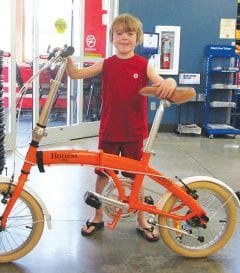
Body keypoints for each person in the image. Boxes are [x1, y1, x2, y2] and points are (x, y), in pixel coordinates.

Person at [66, 13, 177, 242]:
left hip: (133, 133)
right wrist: (65, 59)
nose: (124, 37)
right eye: (119, 33)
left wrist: (171, 82)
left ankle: (142, 220)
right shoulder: (107, 63)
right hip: (109, 130)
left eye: (129, 33)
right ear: (112, 37)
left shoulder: (144, 65)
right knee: (103, 174)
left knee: (136, 177)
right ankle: (97, 216)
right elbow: (76, 74)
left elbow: (163, 82)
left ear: (137, 38)